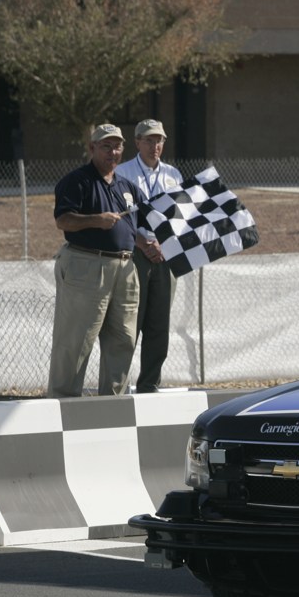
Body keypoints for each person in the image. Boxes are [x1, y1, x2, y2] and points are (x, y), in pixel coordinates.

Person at [47, 123, 162, 398]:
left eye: (118, 146)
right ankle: (63, 403)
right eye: (106, 146)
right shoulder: (77, 181)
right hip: (87, 266)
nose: (113, 151)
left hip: (125, 267)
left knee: (123, 339)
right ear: (92, 148)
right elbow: (63, 220)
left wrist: (149, 242)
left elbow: (144, 221)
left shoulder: (127, 187)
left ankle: (114, 404)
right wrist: (96, 220)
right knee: (76, 340)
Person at [115, 118, 183, 393]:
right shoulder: (123, 172)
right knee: (130, 321)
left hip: (166, 255)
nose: (155, 145)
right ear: (137, 142)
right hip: (135, 253)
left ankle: (149, 384)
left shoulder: (173, 175)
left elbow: (180, 216)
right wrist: (142, 243)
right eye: (149, 140)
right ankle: (117, 385)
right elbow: (120, 217)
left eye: (160, 140)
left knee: (159, 324)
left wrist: (165, 245)